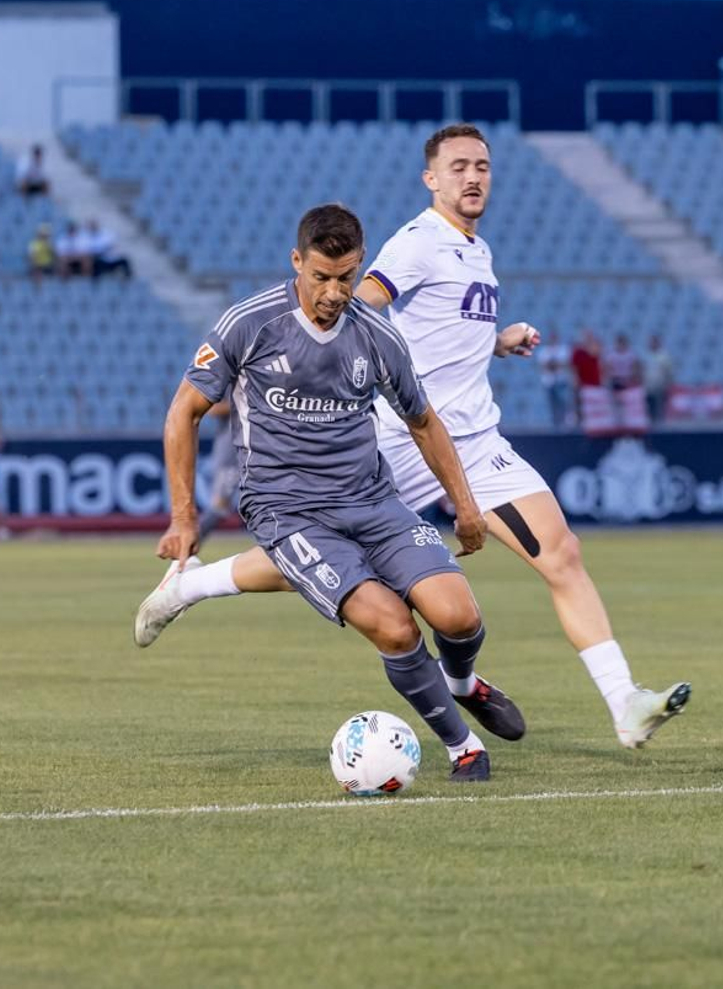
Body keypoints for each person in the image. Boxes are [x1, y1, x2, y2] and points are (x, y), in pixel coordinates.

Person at [135, 124, 690, 750]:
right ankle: (194, 585)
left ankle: (624, 703)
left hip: (475, 441)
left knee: (562, 555)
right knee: (320, 555)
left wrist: (495, 339)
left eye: (481, 165)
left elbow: (440, 330)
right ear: (431, 179)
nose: (472, 176)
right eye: (457, 167)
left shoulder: (475, 249)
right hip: (399, 440)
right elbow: (358, 307)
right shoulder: (418, 242)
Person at [155, 203, 516, 782]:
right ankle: (462, 745)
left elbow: (423, 421)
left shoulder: (377, 335)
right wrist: (182, 516)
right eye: (320, 276)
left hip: (373, 500)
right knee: (394, 626)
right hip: (286, 509)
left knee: (458, 615)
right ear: (297, 262)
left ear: (360, 267)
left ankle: (464, 682)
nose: (333, 291)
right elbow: (183, 413)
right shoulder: (248, 324)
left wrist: (466, 506)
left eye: (346, 277)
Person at [195, 401, 239, 539]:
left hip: (260, 449)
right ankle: (187, 545)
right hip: (232, 450)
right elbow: (212, 409)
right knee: (220, 504)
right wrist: (252, 401)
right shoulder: (233, 380)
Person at [536, 330, 571, 429]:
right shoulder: (544, 351)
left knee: (563, 404)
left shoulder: (563, 350)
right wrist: (555, 364)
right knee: (553, 405)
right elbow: (544, 366)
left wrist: (553, 364)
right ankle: (555, 425)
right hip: (549, 382)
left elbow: (564, 365)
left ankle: (563, 424)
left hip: (561, 381)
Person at [643, 333, 675, 426]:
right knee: (650, 408)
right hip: (648, 386)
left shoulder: (664, 356)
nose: (651, 344)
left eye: (653, 342)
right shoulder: (646, 356)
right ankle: (652, 425)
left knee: (660, 408)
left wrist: (667, 384)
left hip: (660, 386)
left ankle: (660, 426)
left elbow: (669, 372)